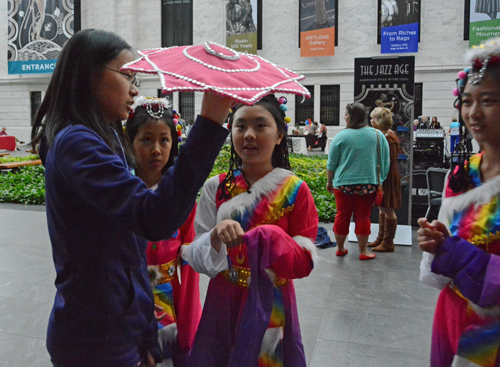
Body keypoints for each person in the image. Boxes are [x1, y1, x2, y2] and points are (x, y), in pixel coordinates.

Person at [30, 29, 234, 367]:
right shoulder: (76, 143)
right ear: (89, 76)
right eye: (127, 76)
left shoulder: (102, 136)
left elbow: (127, 252)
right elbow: (153, 218)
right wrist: (211, 119)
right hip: (95, 341)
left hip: (116, 329)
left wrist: (145, 338)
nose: (135, 89)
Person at [182, 94, 318, 367]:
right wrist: (215, 236)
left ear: (280, 135)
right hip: (224, 299)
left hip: (272, 302)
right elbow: (194, 253)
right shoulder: (216, 187)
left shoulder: (295, 190)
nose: (249, 135)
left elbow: (304, 262)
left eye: (260, 125)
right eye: (240, 126)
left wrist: (274, 239)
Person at [418, 37, 500, 367]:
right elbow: (442, 259)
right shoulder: (463, 173)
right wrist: (435, 242)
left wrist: (458, 254)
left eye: (488, 100)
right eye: (467, 102)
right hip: (452, 312)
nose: (473, 112)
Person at [125, 96, 202, 367]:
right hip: (126, 302)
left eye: (164, 140)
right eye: (146, 140)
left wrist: (189, 329)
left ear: (174, 143)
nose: (156, 149)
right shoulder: (117, 193)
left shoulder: (181, 199)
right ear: (129, 142)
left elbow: (190, 269)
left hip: (170, 302)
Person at [326, 103, 390, 260]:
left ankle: (340, 248)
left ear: (352, 116)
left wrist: (329, 181)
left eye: (346, 114)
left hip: (342, 183)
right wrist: (380, 180)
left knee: (342, 215)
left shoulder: (341, 136)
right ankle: (363, 251)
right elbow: (385, 160)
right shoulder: (377, 135)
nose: (344, 117)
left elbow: (331, 163)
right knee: (363, 216)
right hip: (368, 184)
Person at [368, 107, 401, 252]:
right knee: (382, 207)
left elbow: (389, 160)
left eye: (373, 118)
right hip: (384, 175)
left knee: (388, 209)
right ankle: (381, 238)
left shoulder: (389, 138)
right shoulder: (384, 135)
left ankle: (388, 242)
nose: (370, 121)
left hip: (387, 176)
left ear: (380, 121)